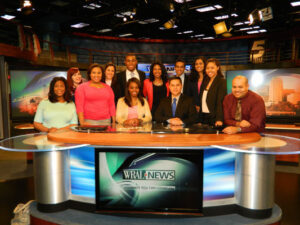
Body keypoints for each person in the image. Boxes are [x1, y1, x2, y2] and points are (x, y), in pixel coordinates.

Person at [198, 58, 227, 126]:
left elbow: (220, 102)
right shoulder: (205, 81)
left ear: (217, 68)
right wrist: (199, 119)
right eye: (207, 68)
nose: (209, 70)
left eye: (212, 68)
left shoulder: (221, 82)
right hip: (204, 117)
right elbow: (202, 101)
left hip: (214, 118)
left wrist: (219, 119)